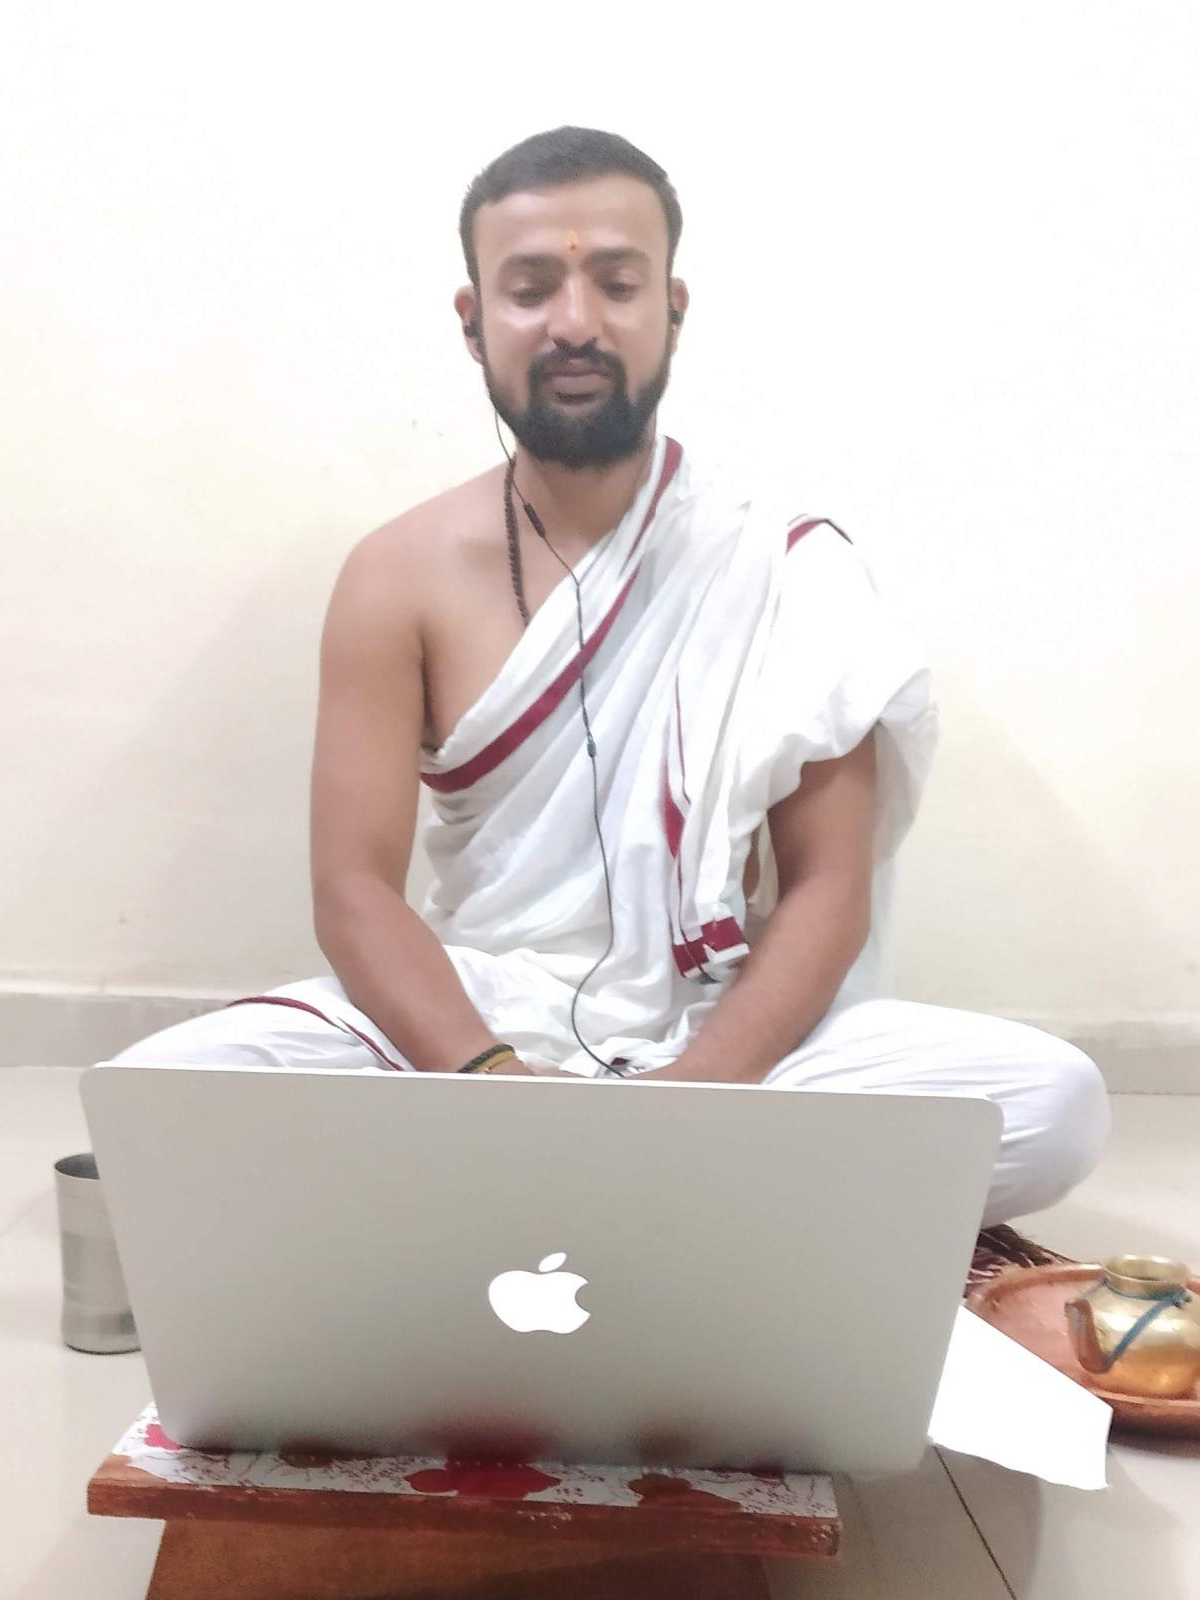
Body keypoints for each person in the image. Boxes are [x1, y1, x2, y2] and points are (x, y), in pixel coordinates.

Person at [105, 126, 1108, 1228]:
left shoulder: (784, 565)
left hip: (720, 1026)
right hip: (477, 1012)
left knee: (1050, 1102)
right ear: (473, 320)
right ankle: (671, 1207)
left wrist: (693, 1097)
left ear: (672, 307)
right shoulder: (396, 574)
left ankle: (515, 1200)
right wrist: (488, 1076)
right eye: (530, 287)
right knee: (163, 1100)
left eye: (617, 284)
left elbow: (826, 884)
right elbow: (353, 888)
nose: (575, 323)